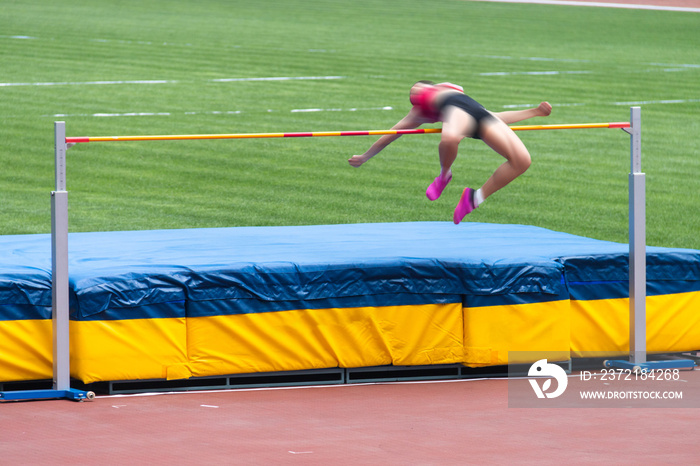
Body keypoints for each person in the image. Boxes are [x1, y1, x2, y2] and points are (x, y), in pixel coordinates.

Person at [348, 81, 552, 224]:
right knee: (449, 137)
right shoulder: (418, 113)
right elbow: (391, 134)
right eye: (412, 95)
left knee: (522, 161)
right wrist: (365, 156)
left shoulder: (448, 87)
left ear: (430, 85)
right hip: (457, 116)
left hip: (481, 117)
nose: (415, 92)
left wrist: (535, 112)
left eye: (417, 87)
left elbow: (496, 116)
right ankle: (444, 175)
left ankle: (475, 198)